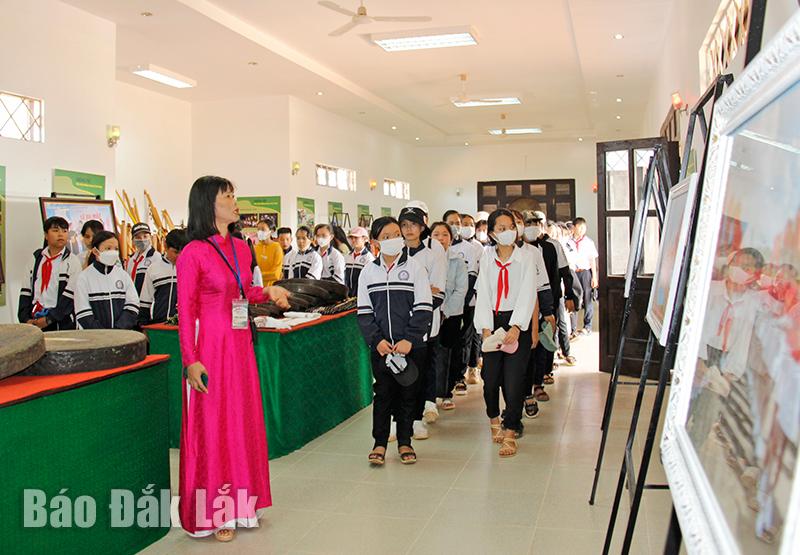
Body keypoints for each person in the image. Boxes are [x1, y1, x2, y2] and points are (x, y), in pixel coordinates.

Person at [176, 175, 290, 541]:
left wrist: (267, 291)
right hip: (209, 345)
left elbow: (242, 292)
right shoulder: (193, 252)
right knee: (212, 426)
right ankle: (214, 512)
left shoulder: (241, 247)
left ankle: (242, 504)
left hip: (240, 344)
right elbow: (185, 310)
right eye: (227, 196)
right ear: (208, 204)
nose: (234, 201)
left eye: (233, 195)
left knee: (241, 421)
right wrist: (190, 359)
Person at [357, 216, 432, 465]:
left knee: (409, 395)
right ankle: (379, 443)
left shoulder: (415, 268)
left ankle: (405, 442)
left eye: (396, 234)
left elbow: (424, 307)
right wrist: (376, 340)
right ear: (375, 241)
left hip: (410, 347)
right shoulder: (368, 272)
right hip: (382, 348)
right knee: (383, 394)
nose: (393, 239)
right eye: (386, 236)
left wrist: (409, 339)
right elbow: (364, 312)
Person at [474, 209, 537, 457]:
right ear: (491, 233)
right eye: (501, 228)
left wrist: (517, 326)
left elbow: (528, 292)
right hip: (492, 321)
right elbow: (483, 292)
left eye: (511, 226)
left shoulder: (526, 257)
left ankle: (510, 430)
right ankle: (493, 419)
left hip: (517, 323)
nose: (508, 231)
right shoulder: (487, 257)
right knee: (490, 379)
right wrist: (485, 327)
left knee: (514, 382)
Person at [398, 205, 447, 439]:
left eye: (414, 225)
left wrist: (414, 306)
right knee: (397, 372)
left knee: (420, 370)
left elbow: (438, 293)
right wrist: (422, 289)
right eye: (404, 225)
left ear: (422, 227)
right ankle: (398, 420)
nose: (409, 229)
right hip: (397, 323)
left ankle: (417, 419)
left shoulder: (432, 254)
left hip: (423, 322)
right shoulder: (395, 253)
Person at [522, 211, 578, 410]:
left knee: (544, 342)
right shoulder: (518, 248)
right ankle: (524, 387)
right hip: (523, 307)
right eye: (528, 223)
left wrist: (569, 295)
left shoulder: (552, 246)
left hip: (549, 302)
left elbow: (565, 272)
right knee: (527, 346)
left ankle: (540, 381)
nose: (532, 226)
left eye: (536, 223)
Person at [429, 222, 468, 411]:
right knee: (431, 354)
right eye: (436, 234)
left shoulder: (457, 261)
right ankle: (430, 395)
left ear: (451, 239)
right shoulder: (425, 259)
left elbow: (461, 289)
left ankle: (445, 393)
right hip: (429, 313)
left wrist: (446, 311)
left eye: (444, 235)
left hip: (451, 314)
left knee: (449, 353)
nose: (440, 238)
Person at [18, 216, 81, 330]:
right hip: (35, 318)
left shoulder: (72, 261)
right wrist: (25, 319)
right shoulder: (36, 259)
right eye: (55, 230)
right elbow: (26, 291)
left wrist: (50, 319)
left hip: (61, 321)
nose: (61, 234)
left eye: (64, 231)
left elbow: (70, 296)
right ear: (46, 235)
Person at [443, 210, 481, 395]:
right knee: (447, 343)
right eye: (451, 222)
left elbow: (472, 277)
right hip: (443, 306)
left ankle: (460, 376)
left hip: (466, 303)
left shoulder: (470, 249)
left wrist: (462, 302)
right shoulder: (435, 248)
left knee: (464, 340)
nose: (455, 226)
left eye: (457, 222)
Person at [74, 230, 140, 330]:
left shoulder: (123, 275)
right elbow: (82, 312)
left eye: (116, 249)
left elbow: (132, 304)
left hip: (122, 335)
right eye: (108, 248)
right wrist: (104, 335)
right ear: (95, 251)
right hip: (94, 337)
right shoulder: (84, 277)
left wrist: (119, 329)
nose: (113, 252)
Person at [139, 229, 188, 325]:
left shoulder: (193, 269)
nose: (180, 256)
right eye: (175, 252)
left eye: (183, 252)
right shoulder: (153, 269)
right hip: (159, 325)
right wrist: (143, 325)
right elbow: (145, 302)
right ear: (165, 246)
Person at [572, 217, 599, 335]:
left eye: (584, 228)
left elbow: (592, 260)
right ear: (574, 227)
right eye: (580, 227)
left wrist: (594, 277)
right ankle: (573, 327)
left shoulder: (588, 242)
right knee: (574, 297)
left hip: (585, 272)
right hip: (573, 272)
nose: (582, 230)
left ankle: (587, 326)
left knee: (587, 298)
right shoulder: (568, 242)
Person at [125, 222, 157, 295]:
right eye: (138, 237)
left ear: (150, 237)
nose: (142, 240)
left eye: (145, 236)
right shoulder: (132, 259)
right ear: (133, 240)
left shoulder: (156, 257)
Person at [252, 219, 283, 286]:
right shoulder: (255, 248)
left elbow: (276, 274)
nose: (260, 232)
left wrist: (257, 275)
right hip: (257, 287)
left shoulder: (277, 248)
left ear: (271, 231)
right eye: (258, 229)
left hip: (271, 288)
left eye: (263, 229)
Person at [344, 226, 374, 296]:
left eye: (356, 238)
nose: (353, 240)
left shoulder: (369, 258)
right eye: (351, 238)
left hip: (362, 295)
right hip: (348, 296)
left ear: (365, 239)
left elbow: (370, 280)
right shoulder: (347, 256)